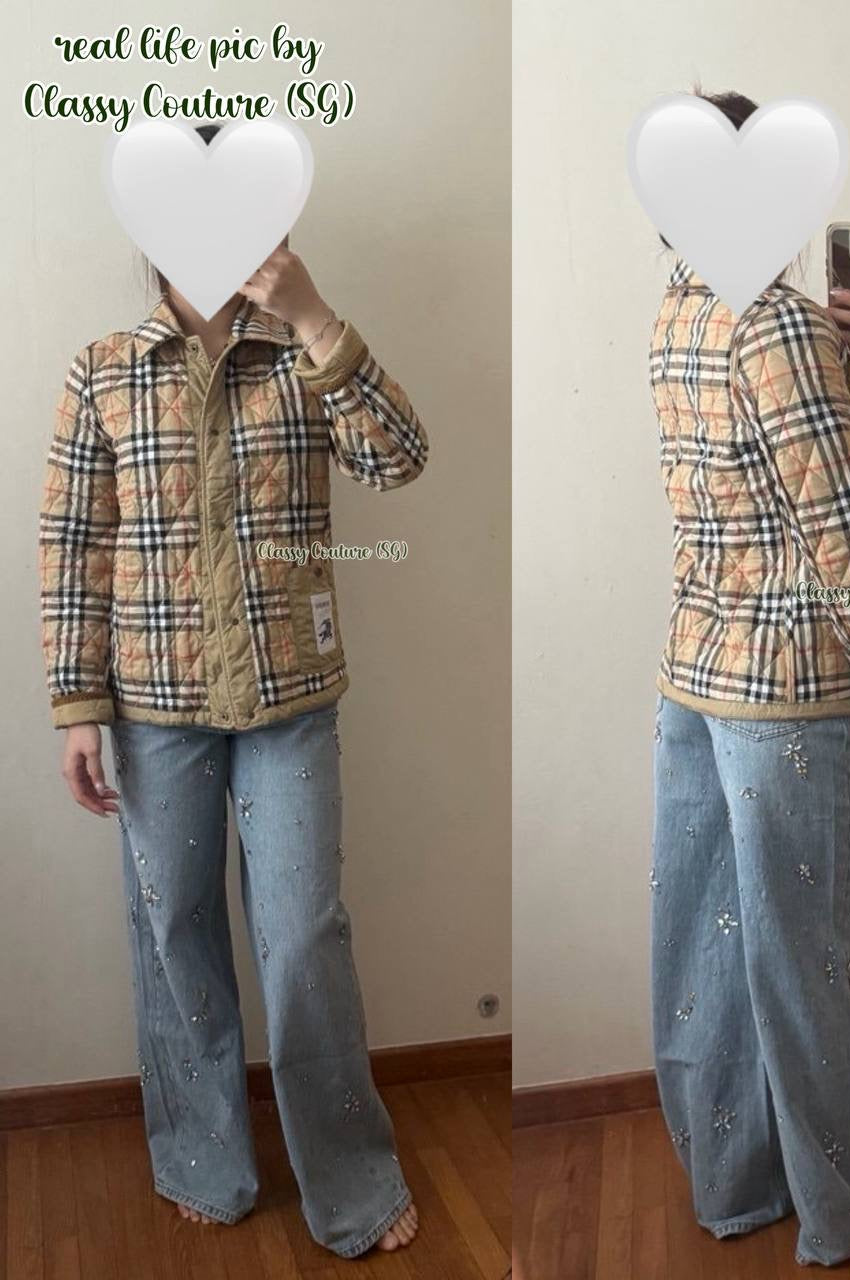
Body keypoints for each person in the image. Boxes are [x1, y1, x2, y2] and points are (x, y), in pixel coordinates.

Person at [38, 124, 426, 1258]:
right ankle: (204, 1156)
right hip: (154, 703)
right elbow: (74, 545)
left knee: (303, 936)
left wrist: (316, 317)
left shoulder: (304, 352)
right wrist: (76, 706)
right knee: (175, 928)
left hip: (290, 695)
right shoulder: (104, 368)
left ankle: (349, 1176)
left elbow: (400, 457)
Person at [647, 91, 850, 1269]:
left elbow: (789, 468)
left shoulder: (680, 304)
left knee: (713, 953)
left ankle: (737, 1183)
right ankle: (844, 1204)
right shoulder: (776, 321)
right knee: (815, 959)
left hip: (698, 672)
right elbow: (840, 519)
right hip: (796, 689)